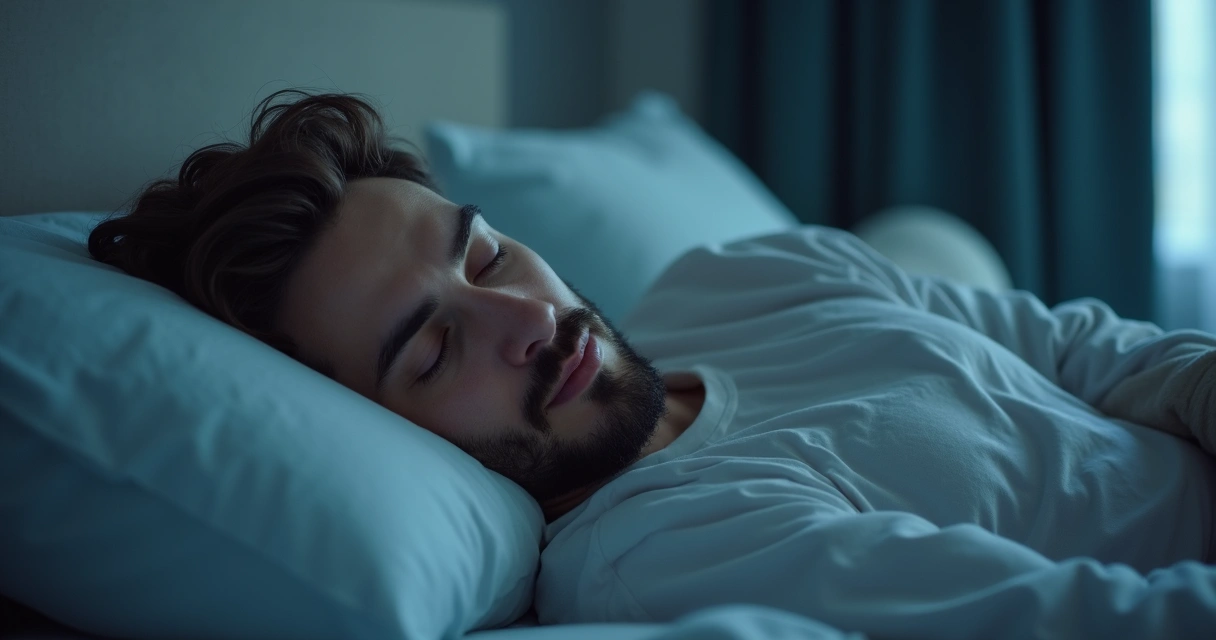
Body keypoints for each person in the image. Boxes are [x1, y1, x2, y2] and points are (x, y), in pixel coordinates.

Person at [89, 90, 1216, 639]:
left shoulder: (736, 275)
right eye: (433, 348)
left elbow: (1080, 345)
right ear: (375, 431)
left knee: (924, 238)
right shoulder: (655, 548)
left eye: (484, 253)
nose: (523, 319)